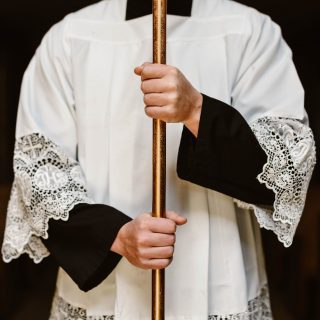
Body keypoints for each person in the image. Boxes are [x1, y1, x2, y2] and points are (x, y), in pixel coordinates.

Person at [1, 0, 316, 319]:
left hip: (222, 284)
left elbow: (285, 168)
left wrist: (197, 111)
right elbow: (39, 171)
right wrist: (116, 235)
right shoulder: (68, 38)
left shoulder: (250, 31)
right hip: (104, 294)